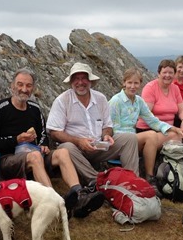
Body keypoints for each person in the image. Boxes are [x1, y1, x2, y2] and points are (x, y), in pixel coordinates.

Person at [0, 68, 105, 218]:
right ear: (12, 86)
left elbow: (43, 134)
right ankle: (54, 203)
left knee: (63, 152)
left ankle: (79, 195)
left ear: (33, 88)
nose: (24, 89)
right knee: (35, 156)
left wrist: (44, 144)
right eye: (20, 84)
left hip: (34, 155)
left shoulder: (35, 109)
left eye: (28, 86)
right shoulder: (0, 108)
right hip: (8, 160)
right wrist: (15, 140)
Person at [46, 62, 140, 191]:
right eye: (76, 78)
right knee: (66, 148)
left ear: (90, 81)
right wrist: (79, 142)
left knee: (130, 138)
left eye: (84, 78)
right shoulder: (62, 100)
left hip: (99, 146)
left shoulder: (100, 98)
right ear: (71, 81)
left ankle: (132, 183)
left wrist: (106, 135)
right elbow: (54, 132)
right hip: (76, 150)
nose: (80, 82)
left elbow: (107, 125)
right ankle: (97, 181)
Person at [109, 68, 183, 185]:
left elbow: (153, 121)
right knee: (151, 135)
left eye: (136, 83)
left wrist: (173, 128)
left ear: (140, 84)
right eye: (129, 83)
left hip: (133, 139)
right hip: (118, 141)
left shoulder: (138, 101)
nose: (132, 86)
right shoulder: (116, 101)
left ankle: (174, 173)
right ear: (124, 83)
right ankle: (150, 176)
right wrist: (130, 138)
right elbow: (112, 128)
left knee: (174, 135)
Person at [136, 59, 183, 146]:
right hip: (149, 129)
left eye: (171, 73)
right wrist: (171, 129)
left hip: (166, 129)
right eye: (164, 72)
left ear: (174, 74)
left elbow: (182, 109)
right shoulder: (150, 88)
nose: (167, 75)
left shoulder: (175, 88)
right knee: (176, 136)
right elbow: (147, 115)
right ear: (159, 73)